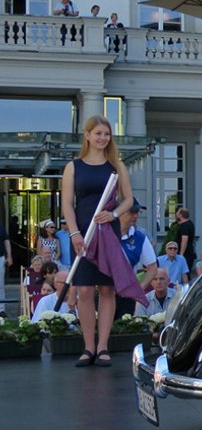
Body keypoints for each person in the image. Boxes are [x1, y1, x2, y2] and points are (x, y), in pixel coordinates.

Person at [61, 114, 145, 368]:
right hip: (83, 234)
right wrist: (74, 233)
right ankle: (88, 347)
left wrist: (115, 214)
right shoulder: (73, 167)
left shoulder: (116, 166)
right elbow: (67, 204)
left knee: (107, 289)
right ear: (87, 135)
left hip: (107, 233)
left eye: (106, 134)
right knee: (85, 290)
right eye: (98, 133)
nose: (102, 138)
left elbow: (128, 199)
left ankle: (103, 347)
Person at [113, 198, 158, 319]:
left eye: (138, 212)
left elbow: (153, 267)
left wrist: (139, 288)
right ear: (119, 212)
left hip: (125, 294)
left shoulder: (140, 238)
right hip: (103, 291)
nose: (136, 215)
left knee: (123, 330)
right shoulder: (105, 233)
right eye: (132, 212)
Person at [174, 206, 196, 271]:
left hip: (186, 254)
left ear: (181, 215)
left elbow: (184, 240)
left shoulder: (185, 226)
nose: (176, 214)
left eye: (177, 213)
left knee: (183, 272)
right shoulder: (189, 224)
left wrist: (181, 255)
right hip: (188, 253)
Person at [0, 221, 11, 316]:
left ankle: (1, 309)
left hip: (0, 257)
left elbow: (6, 241)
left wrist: (9, 256)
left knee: (0, 284)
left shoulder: (1, 227)